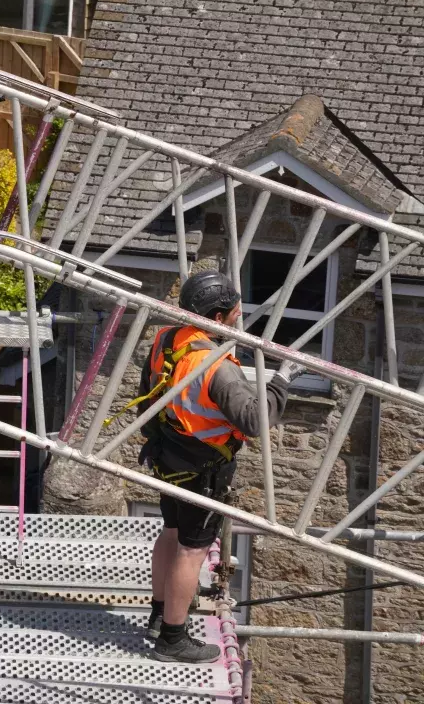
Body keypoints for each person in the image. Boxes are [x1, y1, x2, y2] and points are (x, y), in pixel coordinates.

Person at [135, 269, 304, 663]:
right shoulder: (217, 366)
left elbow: (147, 398)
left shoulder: (167, 340)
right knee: (192, 550)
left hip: (167, 457)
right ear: (216, 317)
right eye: (232, 311)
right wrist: (281, 380)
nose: (238, 314)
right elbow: (252, 420)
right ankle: (173, 640)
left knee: (172, 533)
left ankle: (159, 617)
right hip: (200, 470)